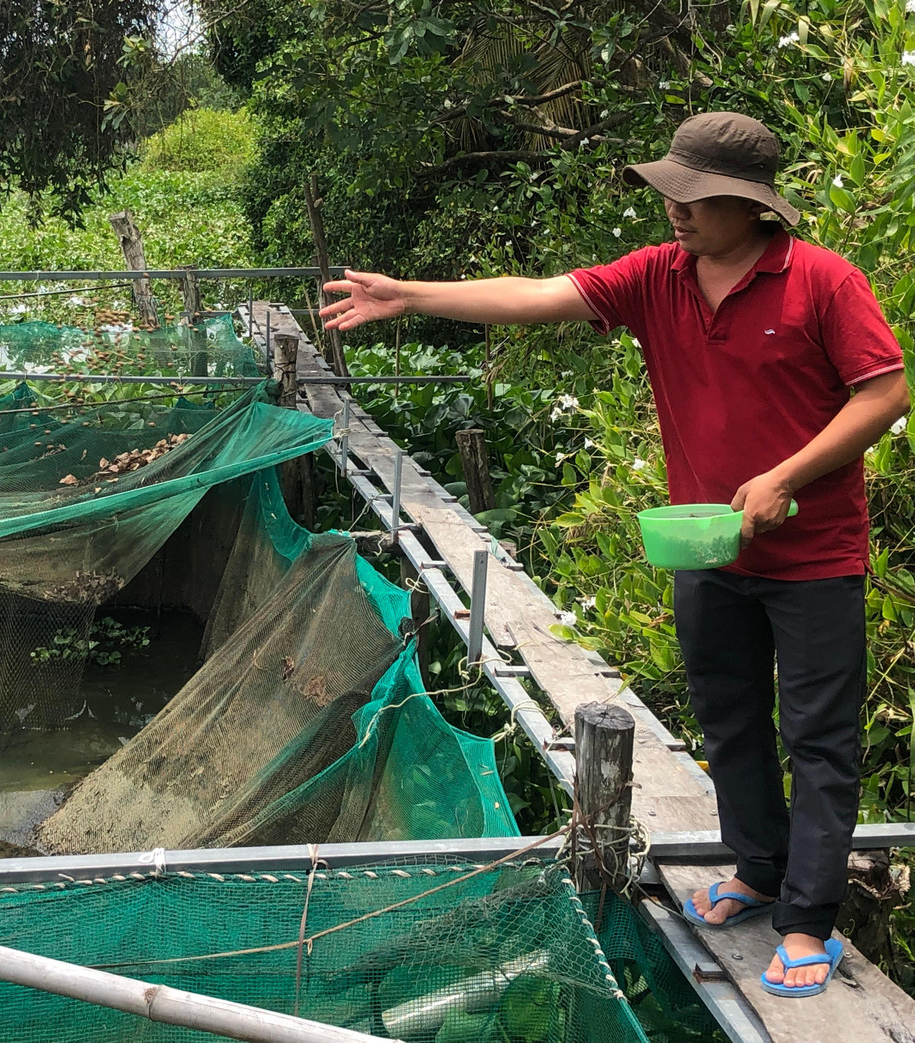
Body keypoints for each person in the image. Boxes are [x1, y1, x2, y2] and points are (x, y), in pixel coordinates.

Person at [320, 111, 909, 997]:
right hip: (707, 543)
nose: (674, 208)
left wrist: (787, 474)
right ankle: (756, 869)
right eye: (669, 190)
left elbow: (887, 389)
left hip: (815, 555)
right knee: (729, 715)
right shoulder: (659, 276)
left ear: (751, 205)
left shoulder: (821, 282)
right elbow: (537, 292)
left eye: (695, 195)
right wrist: (412, 294)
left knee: (819, 739)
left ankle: (809, 918)